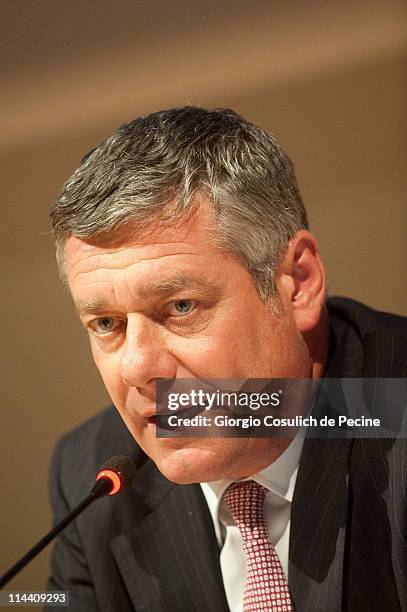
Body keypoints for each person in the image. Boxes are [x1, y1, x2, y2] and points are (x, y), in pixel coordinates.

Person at [47, 107, 406, 611]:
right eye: (107, 323)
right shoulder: (89, 478)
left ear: (297, 284)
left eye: (180, 306)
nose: (136, 367)